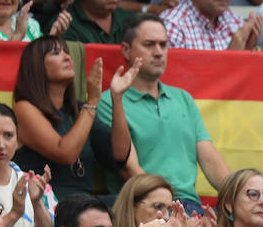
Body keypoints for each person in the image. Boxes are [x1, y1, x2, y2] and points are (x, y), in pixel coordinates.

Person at [96, 14, 232, 211]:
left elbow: (210, 158)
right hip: (143, 207)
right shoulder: (109, 101)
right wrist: (167, 207)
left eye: (163, 44)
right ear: (126, 49)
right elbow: (128, 168)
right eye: (149, 44)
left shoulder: (183, 98)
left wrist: (238, 196)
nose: (159, 52)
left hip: (189, 206)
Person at [11, 36, 135, 200]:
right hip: (46, 205)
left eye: (67, 52)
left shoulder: (78, 110)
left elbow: (120, 154)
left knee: (141, 204)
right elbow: (65, 154)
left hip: (85, 206)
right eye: (56, 53)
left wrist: (117, 98)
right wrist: (92, 101)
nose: (67, 57)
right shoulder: (24, 108)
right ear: (36, 66)